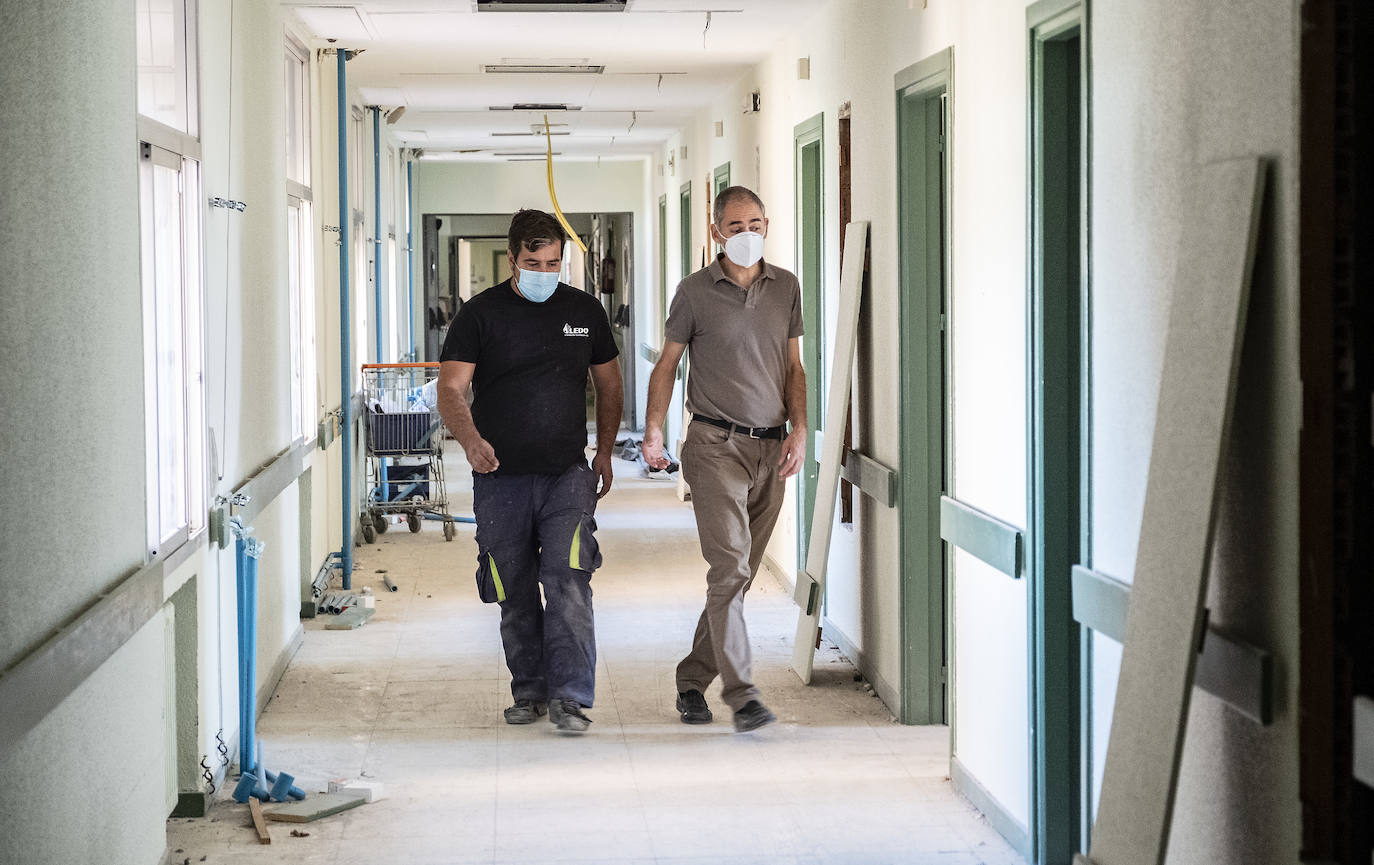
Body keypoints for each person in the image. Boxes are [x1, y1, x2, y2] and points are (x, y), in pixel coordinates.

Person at [437, 209, 623, 734]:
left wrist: (604, 451)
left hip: (566, 473)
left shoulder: (584, 311)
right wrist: (470, 442)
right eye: (533, 262)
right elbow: (451, 389)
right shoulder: (480, 315)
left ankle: (570, 695)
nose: (545, 271)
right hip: (500, 478)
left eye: (554, 262)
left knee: (567, 580)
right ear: (514, 258)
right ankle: (529, 689)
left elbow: (609, 385)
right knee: (512, 585)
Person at [642, 186, 807, 733]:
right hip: (714, 447)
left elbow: (794, 367)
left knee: (737, 577)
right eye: (735, 226)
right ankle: (742, 695)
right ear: (716, 232)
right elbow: (666, 365)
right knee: (730, 566)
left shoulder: (786, 286)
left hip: (771, 446)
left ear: (768, 224)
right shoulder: (693, 293)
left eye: (755, 223)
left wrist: (800, 428)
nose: (747, 234)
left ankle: (692, 680)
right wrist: (654, 430)